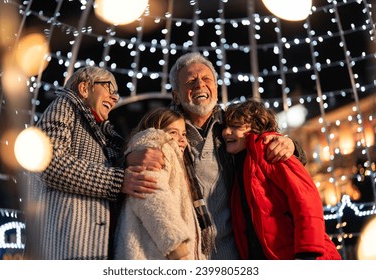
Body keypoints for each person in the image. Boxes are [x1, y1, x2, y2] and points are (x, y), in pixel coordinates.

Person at [125, 52, 307, 259]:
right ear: (176, 95)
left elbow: (270, 146)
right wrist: (129, 158)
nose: (199, 85)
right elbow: (138, 153)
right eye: (191, 81)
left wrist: (292, 146)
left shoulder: (234, 126)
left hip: (239, 250)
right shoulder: (164, 129)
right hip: (186, 252)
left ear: (216, 88)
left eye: (206, 79)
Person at [24, 66, 156, 260]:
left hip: (91, 250)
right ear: (84, 89)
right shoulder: (65, 106)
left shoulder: (101, 133)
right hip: (64, 249)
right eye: (110, 89)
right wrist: (117, 181)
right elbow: (47, 163)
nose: (115, 98)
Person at [222, 100, 341, 260]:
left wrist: (307, 252)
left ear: (255, 128)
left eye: (235, 126)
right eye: (226, 127)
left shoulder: (270, 150)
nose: (226, 132)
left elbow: (305, 198)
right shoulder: (240, 165)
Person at [114, 108, 206, 260]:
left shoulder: (175, 158)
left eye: (183, 133)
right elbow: (152, 197)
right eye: (173, 132)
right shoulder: (155, 149)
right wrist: (178, 248)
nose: (182, 139)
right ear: (156, 130)